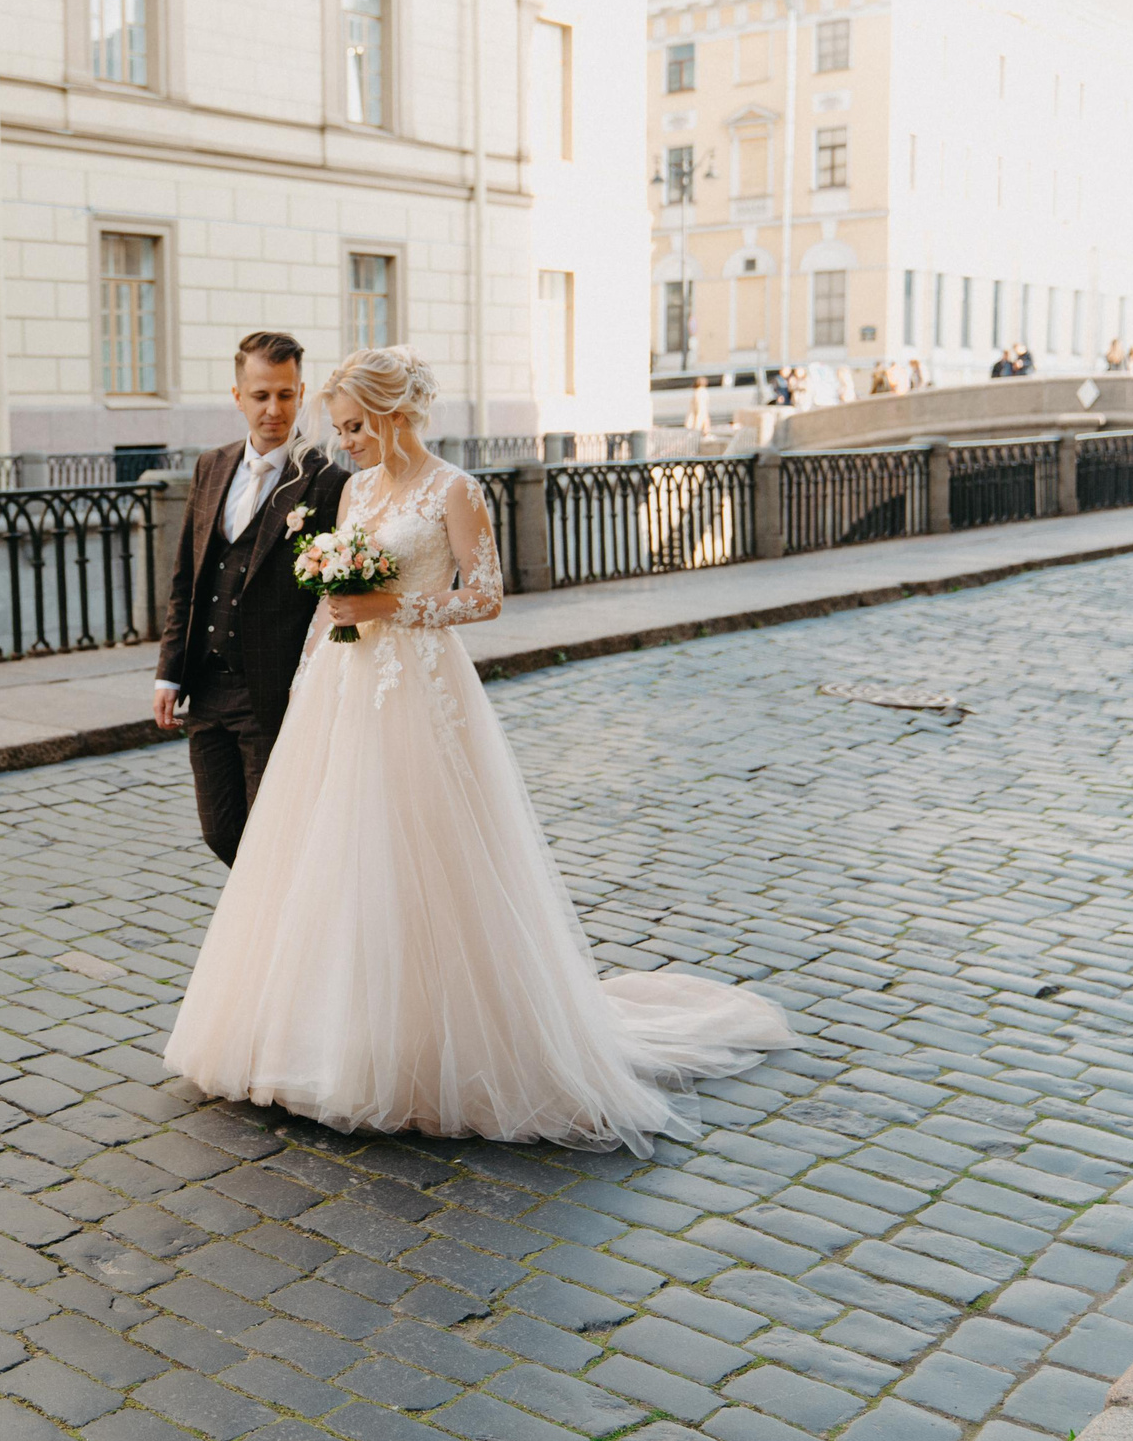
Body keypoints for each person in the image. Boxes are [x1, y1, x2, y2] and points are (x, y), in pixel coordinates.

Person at [164, 348, 795, 1145]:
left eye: (354, 427)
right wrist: (306, 675)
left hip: (420, 688)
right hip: (342, 687)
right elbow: (328, 601)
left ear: (393, 415)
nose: (344, 442)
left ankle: (425, 1044)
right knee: (335, 853)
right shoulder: (355, 490)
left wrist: (392, 607)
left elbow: (486, 596)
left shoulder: (455, 489)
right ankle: (321, 1037)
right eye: (340, 429)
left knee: (423, 851)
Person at [154, 331, 353, 866]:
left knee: (274, 836)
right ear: (237, 396)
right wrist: (168, 674)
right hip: (206, 689)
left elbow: (330, 596)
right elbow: (186, 577)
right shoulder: (211, 466)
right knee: (221, 832)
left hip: (272, 692)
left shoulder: (327, 482)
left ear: (301, 393)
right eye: (261, 395)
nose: (274, 409)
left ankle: (284, 918)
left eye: (286, 395)